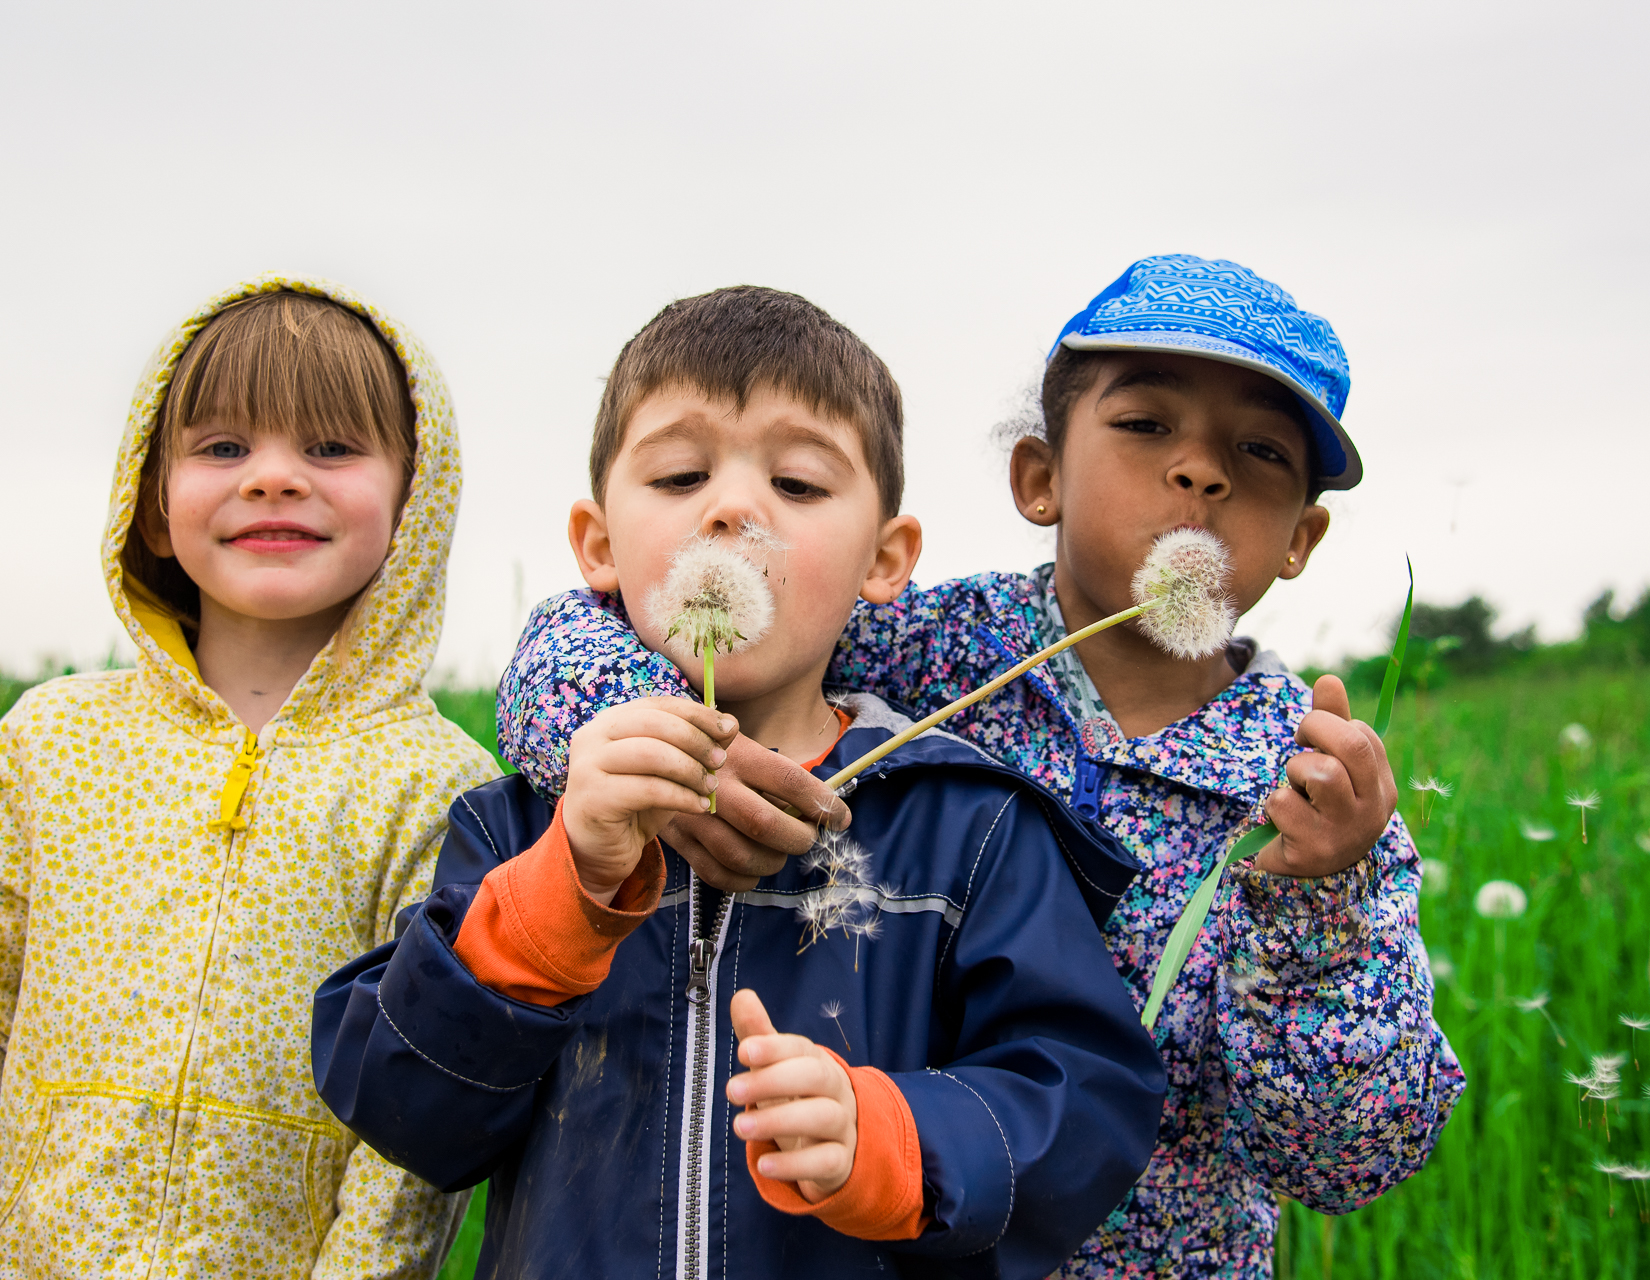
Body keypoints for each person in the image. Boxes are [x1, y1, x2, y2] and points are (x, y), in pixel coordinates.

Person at [492, 257, 1466, 1274]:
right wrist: (642, 736)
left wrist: (1323, 904)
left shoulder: (1309, 787)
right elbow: (586, 629)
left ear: (1303, 534)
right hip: (898, 1229)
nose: (1202, 470)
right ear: (1038, 477)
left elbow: (1350, 1155)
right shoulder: (925, 645)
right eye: (1146, 424)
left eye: (1260, 449)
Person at [311, 286, 1168, 1278]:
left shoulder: (967, 831)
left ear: (886, 558)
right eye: (679, 473)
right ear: (596, 544)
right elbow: (410, 1107)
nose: (732, 505)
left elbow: (1086, 1101)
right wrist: (567, 883)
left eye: (799, 484)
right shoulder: (523, 827)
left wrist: (897, 1137)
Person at [0, 278, 499, 1280]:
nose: (272, 476)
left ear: (415, 501)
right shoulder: (54, 739)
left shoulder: (440, 788)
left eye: (331, 447)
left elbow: (406, 1136)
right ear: (154, 505)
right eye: (222, 447)